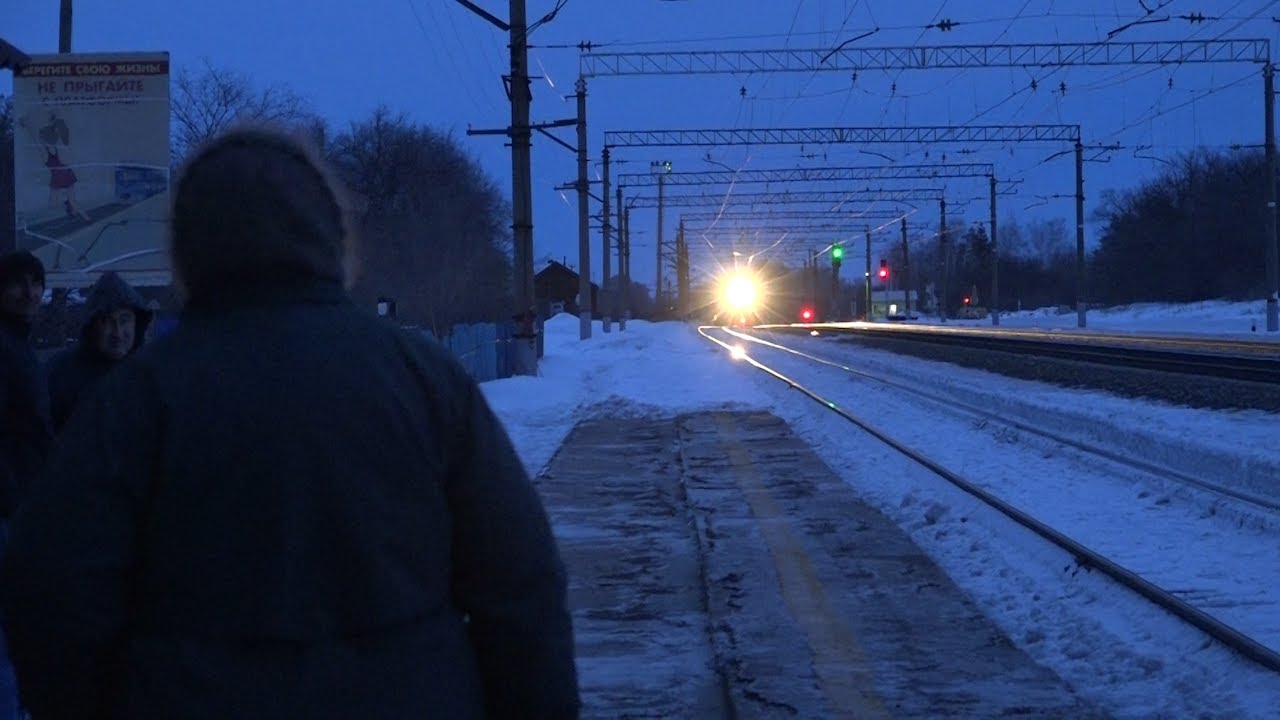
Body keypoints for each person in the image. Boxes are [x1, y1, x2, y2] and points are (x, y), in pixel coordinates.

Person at [0, 128, 580, 720]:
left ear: (189, 249)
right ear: (331, 237)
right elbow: (519, 585)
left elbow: (51, 586)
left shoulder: (138, 399)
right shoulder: (423, 378)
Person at [0, 250, 51, 720]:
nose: (28, 292)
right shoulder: (6, 346)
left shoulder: (20, 345)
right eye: (17, 283)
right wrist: (16, 506)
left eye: (34, 282)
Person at [47, 272, 153, 432]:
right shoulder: (60, 372)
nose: (117, 332)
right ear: (92, 326)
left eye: (124, 320)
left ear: (136, 324)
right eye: (106, 321)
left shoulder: (150, 371)